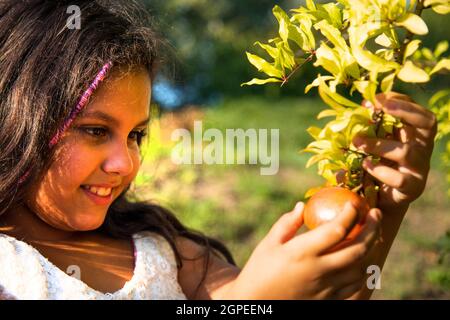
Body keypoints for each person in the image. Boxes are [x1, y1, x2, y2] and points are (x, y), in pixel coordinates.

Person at [0, 0, 437, 300]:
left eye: (136, 135)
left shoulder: (166, 251)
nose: (126, 163)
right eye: (96, 131)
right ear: (18, 118)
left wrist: (381, 202)